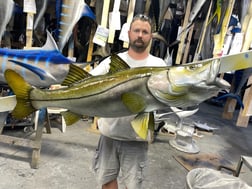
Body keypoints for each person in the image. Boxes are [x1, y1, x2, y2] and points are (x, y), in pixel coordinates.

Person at [91, 14, 166, 189]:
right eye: (137, 30)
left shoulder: (159, 65)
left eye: (145, 32)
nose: (140, 35)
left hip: (136, 140)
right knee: (106, 181)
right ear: (129, 33)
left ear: (150, 36)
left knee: (132, 185)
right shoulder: (113, 62)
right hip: (109, 134)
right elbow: (89, 83)